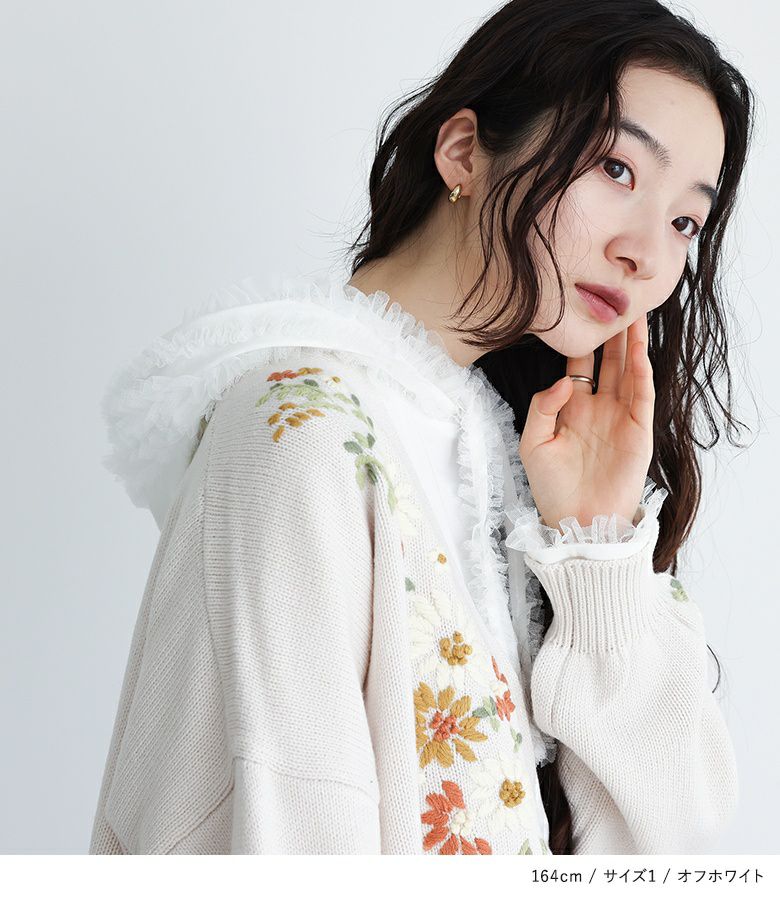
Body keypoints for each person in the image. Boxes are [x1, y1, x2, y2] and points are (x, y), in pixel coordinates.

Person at [90, 0, 754, 855]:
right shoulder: (300, 435)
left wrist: (596, 548)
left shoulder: (503, 462)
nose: (649, 255)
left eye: (684, 221)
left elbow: (669, 835)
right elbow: (294, 832)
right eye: (616, 168)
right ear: (464, 152)